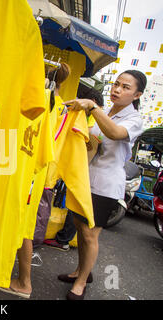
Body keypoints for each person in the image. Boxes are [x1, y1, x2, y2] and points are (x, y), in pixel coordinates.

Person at [59, 70, 146, 300]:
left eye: (125, 87)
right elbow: (92, 137)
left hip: (106, 185)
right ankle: (81, 272)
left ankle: (80, 283)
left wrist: (91, 106)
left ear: (137, 95)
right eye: (116, 84)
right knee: (79, 226)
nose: (117, 89)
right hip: (85, 178)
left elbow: (115, 133)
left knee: (89, 235)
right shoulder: (106, 111)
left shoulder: (133, 120)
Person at [0, 62, 71, 299]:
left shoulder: (41, 100)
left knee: (20, 226)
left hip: (26, 170)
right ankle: (11, 276)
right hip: (36, 172)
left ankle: (23, 282)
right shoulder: (61, 106)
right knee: (22, 226)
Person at [44, 87, 105, 252]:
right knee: (74, 208)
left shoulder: (90, 120)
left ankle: (64, 240)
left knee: (77, 211)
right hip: (80, 168)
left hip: (83, 170)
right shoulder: (87, 119)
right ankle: (65, 240)